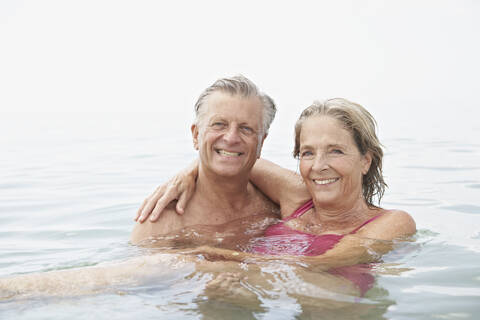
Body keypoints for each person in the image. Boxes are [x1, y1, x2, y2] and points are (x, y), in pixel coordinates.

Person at [136, 98, 416, 267]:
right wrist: (189, 172)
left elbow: (317, 264)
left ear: (365, 160)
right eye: (308, 153)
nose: (319, 166)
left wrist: (202, 256)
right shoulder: (297, 197)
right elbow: (233, 156)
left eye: (336, 151)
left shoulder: (393, 223)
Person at [130, 75, 280, 245]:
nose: (231, 138)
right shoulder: (162, 223)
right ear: (196, 135)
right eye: (219, 124)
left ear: (262, 142)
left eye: (246, 128)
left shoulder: (277, 207)